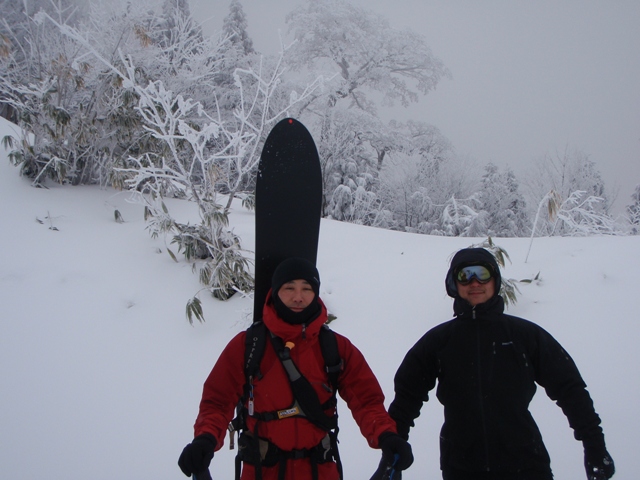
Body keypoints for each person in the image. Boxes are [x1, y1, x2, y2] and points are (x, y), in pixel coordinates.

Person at [388, 247, 615, 480]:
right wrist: (392, 455)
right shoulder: (438, 341)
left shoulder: (525, 335)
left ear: (495, 280)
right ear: (454, 284)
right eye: (465, 275)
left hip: (526, 466)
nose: (474, 282)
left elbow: (570, 390)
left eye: (482, 273)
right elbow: (406, 398)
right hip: (462, 468)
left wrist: (594, 445)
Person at [179, 257, 413, 480]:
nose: (298, 297)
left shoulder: (335, 347)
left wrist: (386, 435)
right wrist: (205, 438)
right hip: (261, 470)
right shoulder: (248, 345)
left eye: (307, 288)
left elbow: (367, 401)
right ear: (276, 292)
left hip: (319, 469)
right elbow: (217, 402)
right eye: (289, 288)